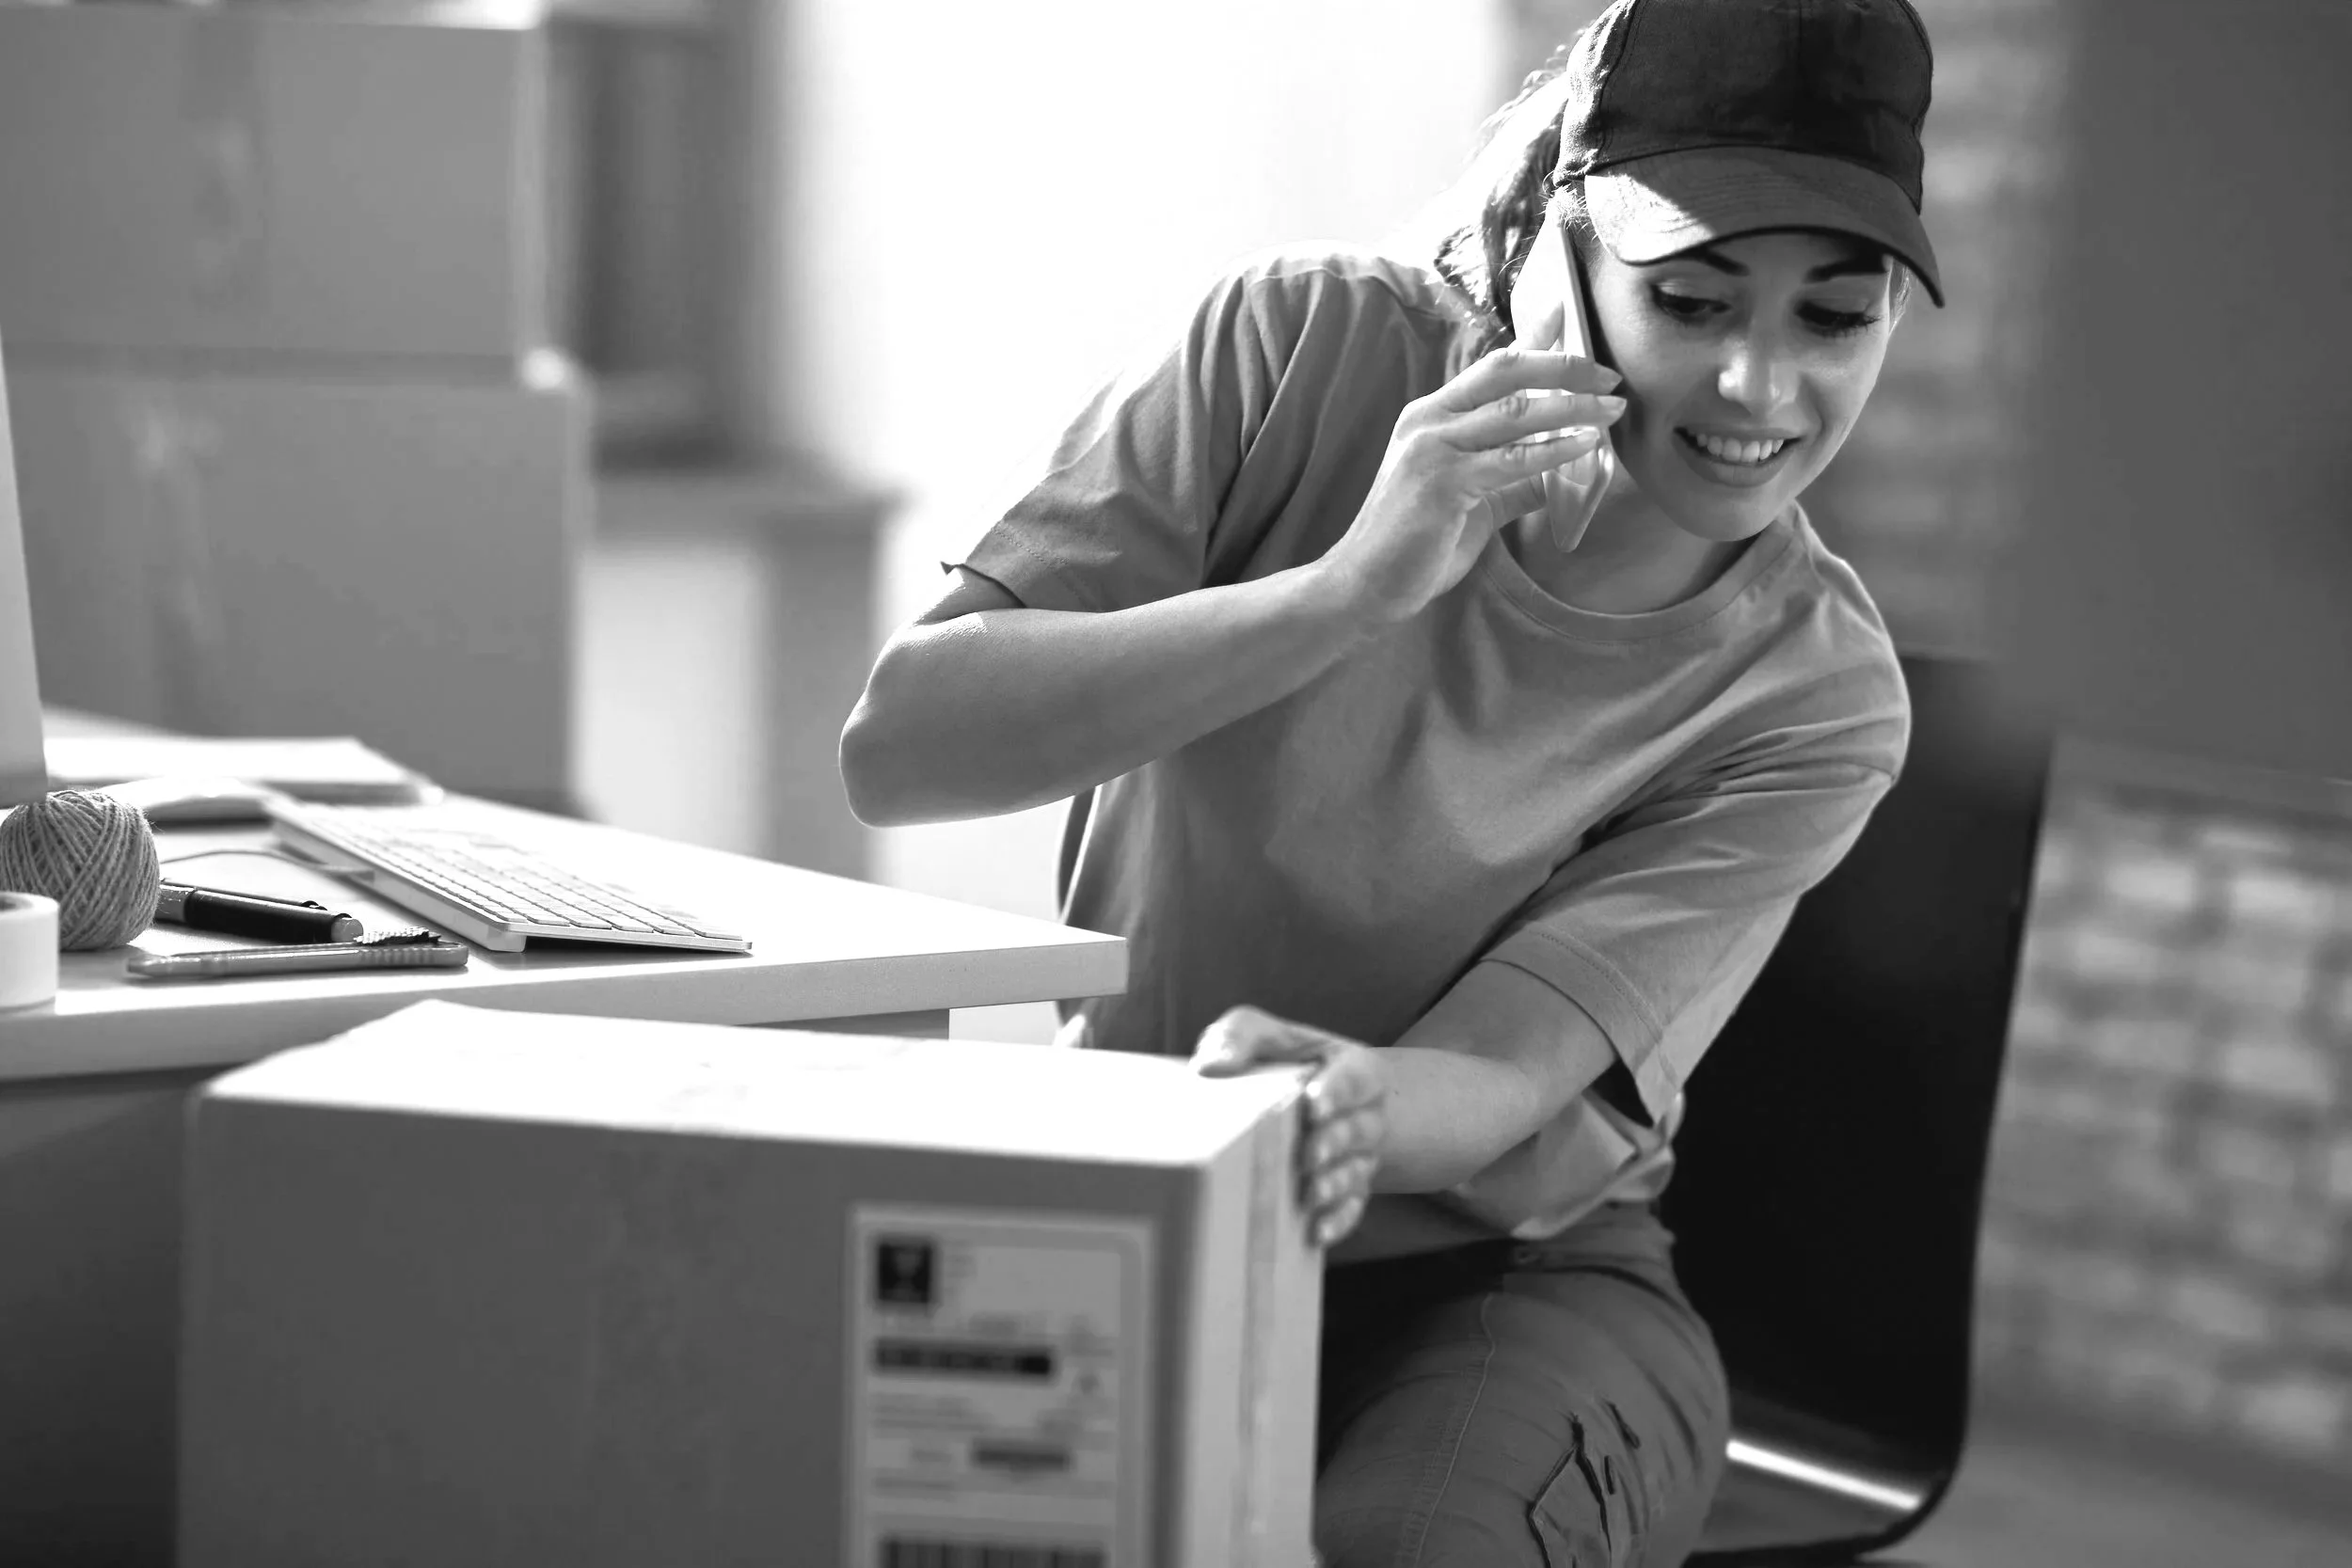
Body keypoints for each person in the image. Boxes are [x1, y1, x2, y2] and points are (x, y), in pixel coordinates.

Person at [839, 0, 1944, 1560]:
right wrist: (1347, 588)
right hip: (1130, 1211)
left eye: (1836, 317)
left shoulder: (1816, 696)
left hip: (1495, 1296)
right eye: (1693, 298)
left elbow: (1504, 1073)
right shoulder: (1290, 354)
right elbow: (903, 752)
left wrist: (1346, 1100)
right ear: (1559, 250)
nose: (1761, 388)